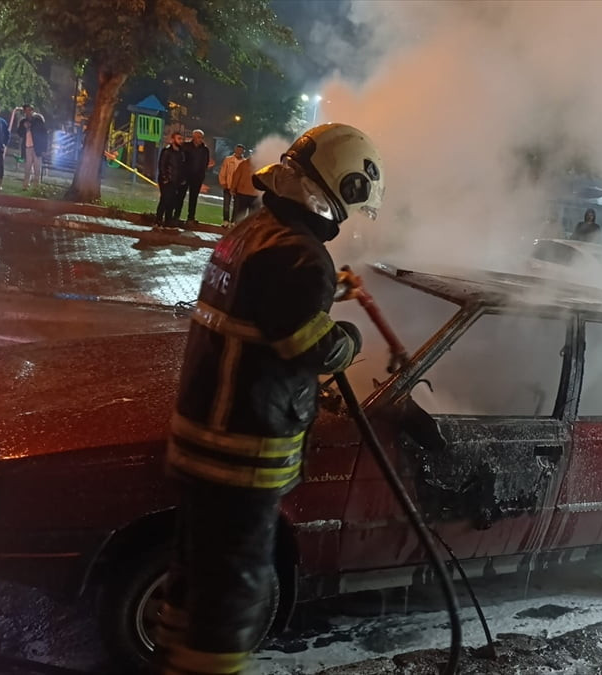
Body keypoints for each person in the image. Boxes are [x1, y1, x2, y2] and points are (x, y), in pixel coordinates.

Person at [158, 123, 383, 675]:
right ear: (343, 186)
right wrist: (349, 338)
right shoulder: (302, 258)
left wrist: (328, 292)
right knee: (235, 588)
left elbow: (261, 304)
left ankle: (172, 661)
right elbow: (311, 348)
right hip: (243, 453)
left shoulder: (251, 230)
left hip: (197, 439)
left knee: (193, 576)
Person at [181, 129, 215, 224]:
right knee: (180, 196)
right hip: (185, 175)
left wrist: (202, 174)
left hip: (197, 177)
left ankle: (191, 217)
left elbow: (205, 162)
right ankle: (176, 215)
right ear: (194, 137)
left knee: (194, 198)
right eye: (198, 137)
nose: (200, 139)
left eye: (201, 137)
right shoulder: (186, 146)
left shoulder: (204, 149)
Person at [156, 131, 187, 227]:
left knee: (172, 201)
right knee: (165, 200)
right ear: (173, 139)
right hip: (167, 180)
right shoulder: (167, 151)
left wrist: (182, 179)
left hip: (176, 181)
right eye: (179, 138)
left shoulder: (182, 152)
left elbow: (182, 166)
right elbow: (162, 165)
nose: (181, 141)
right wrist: (165, 178)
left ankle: (168, 221)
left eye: (182, 139)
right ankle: (158, 220)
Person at [17, 104, 48, 189]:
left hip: (37, 147)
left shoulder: (38, 121)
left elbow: (44, 134)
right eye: (26, 110)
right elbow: (20, 133)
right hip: (27, 147)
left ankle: (36, 186)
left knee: (37, 168)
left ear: (32, 111)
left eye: (29, 110)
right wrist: (24, 128)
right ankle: (26, 185)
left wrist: (44, 148)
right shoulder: (23, 122)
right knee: (27, 168)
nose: (28, 112)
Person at [230, 151, 261, 222]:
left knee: (239, 214)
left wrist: (233, 188)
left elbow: (236, 177)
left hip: (242, 193)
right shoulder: (262, 166)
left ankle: (236, 228)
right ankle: (249, 231)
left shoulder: (243, 164)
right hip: (255, 194)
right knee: (253, 217)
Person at [218, 144, 245, 226]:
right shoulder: (228, 159)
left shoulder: (244, 162)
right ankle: (226, 220)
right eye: (238, 149)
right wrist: (223, 182)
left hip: (238, 187)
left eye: (241, 150)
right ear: (235, 150)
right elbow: (223, 171)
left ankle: (233, 221)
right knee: (226, 204)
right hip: (228, 185)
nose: (239, 151)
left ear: (243, 151)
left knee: (237, 206)